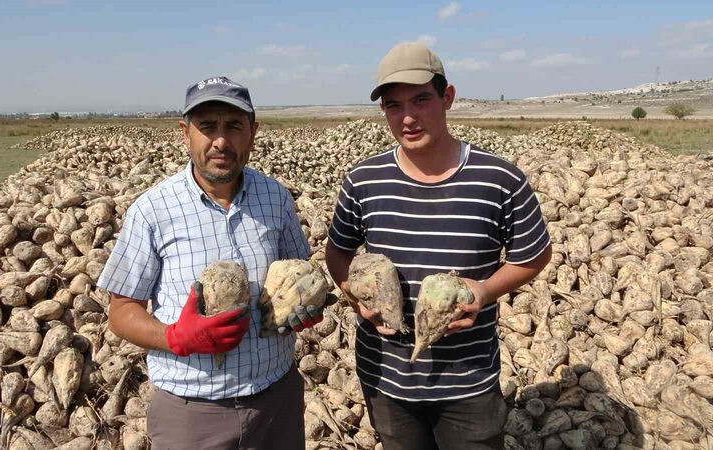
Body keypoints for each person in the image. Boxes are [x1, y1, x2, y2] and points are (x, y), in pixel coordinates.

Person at [325, 42, 553, 450]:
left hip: (468, 383)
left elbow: (534, 255)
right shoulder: (363, 180)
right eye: (394, 106)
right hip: (386, 379)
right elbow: (338, 252)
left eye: (421, 100)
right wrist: (353, 292)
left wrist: (483, 291)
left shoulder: (499, 179)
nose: (408, 117)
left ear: (447, 97)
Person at [97, 76, 324, 450]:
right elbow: (121, 311)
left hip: (276, 401)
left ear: (252, 132)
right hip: (192, 416)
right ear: (185, 133)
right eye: (207, 127)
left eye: (234, 126)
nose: (221, 141)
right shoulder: (153, 210)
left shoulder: (276, 197)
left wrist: (304, 307)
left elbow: (300, 274)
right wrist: (175, 337)